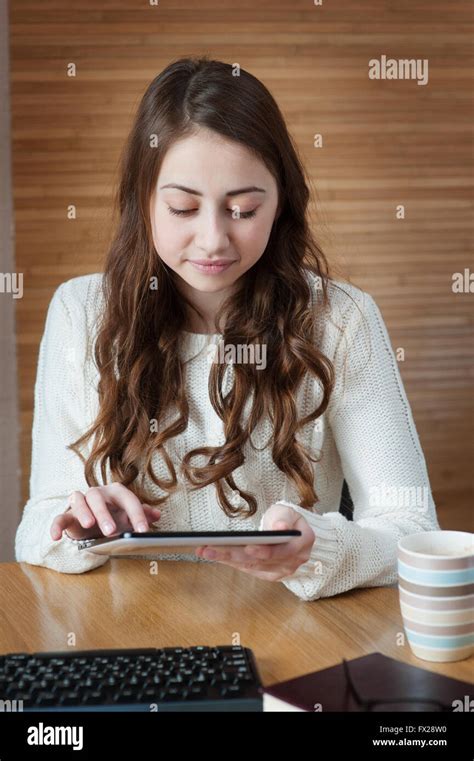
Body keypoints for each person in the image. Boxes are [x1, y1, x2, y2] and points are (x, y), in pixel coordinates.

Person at [15, 57, 439, 601]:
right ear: (143, 202)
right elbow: (35, 529)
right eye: (182, 208)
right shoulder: (80, 312)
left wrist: (322, 547)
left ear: (281, 203)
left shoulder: (340, 318)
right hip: (130, 632)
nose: (213, 239)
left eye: (242, 209)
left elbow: (414, 529)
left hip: (295, 637)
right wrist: (80, 533)